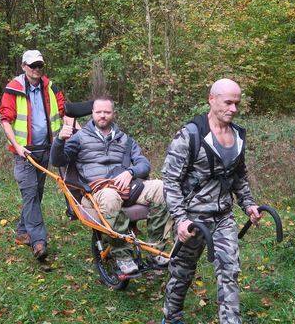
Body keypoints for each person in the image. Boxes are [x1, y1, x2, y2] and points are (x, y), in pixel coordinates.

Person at [161, 78, 262, 324]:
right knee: (182, 272)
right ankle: (171, 317)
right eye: (228, 102)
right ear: (211, 99)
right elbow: (170, 181)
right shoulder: (189, 135)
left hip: (224, 217)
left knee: (230, 271)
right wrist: (181, 220)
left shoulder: (238, 136)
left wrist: (248, 203)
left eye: (237, 103)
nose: (233, 108)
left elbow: (239, 175)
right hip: (193, 220)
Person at [50, 97, 173, 275]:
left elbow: (144, 164)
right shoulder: (79, 138)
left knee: (162, 188)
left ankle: (156, 250)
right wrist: (60, 140)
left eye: (107, 112)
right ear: (92, 113)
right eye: (99, 112)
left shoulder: (125, 140)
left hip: (126, 187)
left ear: (113, 114)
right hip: (96, 192)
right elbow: (57, 160)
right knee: (110, 196)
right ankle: (123, 257)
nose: (102, 116)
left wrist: (130, 172)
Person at [0, 50, 65, 261]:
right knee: (30, 194)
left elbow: (65, 111)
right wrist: (17, 146)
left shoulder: (50, 87)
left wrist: (80, 131)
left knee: (36, 194)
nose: (36, 69)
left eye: (39, 66)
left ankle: (21, 232)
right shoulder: (14, 89)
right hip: (23, 153)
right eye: (32, 65)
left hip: (45, 149)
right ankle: (39, 241)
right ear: (23, 66)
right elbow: (5, 120)